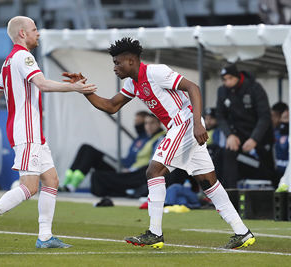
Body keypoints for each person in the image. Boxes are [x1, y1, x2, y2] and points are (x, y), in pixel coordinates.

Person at [63, 37, 255, 249]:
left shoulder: (156, 72)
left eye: (117, 63)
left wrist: (198, 124)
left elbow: (193, 88)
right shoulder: (132, 83)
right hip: (182, 127)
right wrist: (83, 90)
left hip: (185, 123)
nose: (115, 68)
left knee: (154, 172)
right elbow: (111, 106)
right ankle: (242, 232)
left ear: (130, 61)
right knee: (208, 182)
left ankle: (155, 232)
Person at [0, 16, 97, 250]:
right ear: (22, 34)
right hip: (27, 132)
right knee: (29, 187)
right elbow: (43, 84)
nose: (38, 33)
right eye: (34, 29)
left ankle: (45, 237)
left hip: (32, 132)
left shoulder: (8, 62)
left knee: (52, 180)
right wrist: (75, 88)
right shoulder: (24, 57)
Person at [216, 64, 276, 188]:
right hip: (237, 135)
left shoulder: (254, 88)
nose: (227, 82)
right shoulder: (222, 91)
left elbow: (264, 117)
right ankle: (229, 195)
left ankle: (275, 195)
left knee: (268, 168)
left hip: (260, 135)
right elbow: (220, 116)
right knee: (226, 153)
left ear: (237, 76)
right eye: (224, 79)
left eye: (230, 78)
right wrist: (229, 135)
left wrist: (254, 139)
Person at [60, 110, 150, 192]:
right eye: (136, 121)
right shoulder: (138, 139)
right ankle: (66, 182)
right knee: (85, 147)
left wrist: (131, 169)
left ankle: (72, 186)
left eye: (139, 122)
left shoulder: (151, 140)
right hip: (120, 163)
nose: (136, 124)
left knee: (91, 152)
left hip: (124, 169)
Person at [90, 113, 165, 197]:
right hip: (133, 170)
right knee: (97, 175)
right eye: (146, 123)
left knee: (99, 176)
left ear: (159, 124)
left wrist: (131, 168)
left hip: (143, 172)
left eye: (152, 123)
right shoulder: (146, 138)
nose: (149, 126)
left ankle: (128, 191)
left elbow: (155, 161)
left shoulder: (161, 138)